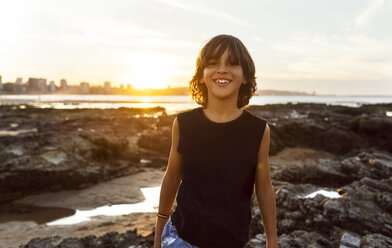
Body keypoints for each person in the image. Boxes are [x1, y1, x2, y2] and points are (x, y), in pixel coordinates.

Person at [153, 34, 277, 248]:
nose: (222, 69)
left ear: (245, 77)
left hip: (231, 241)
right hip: (181, 239)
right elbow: (171, 178)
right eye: (213, 64)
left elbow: (264, 188)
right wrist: (158, 237)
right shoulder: (184, 124)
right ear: (201, 75)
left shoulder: (258, 130)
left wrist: (272, 241)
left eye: (232, 64)